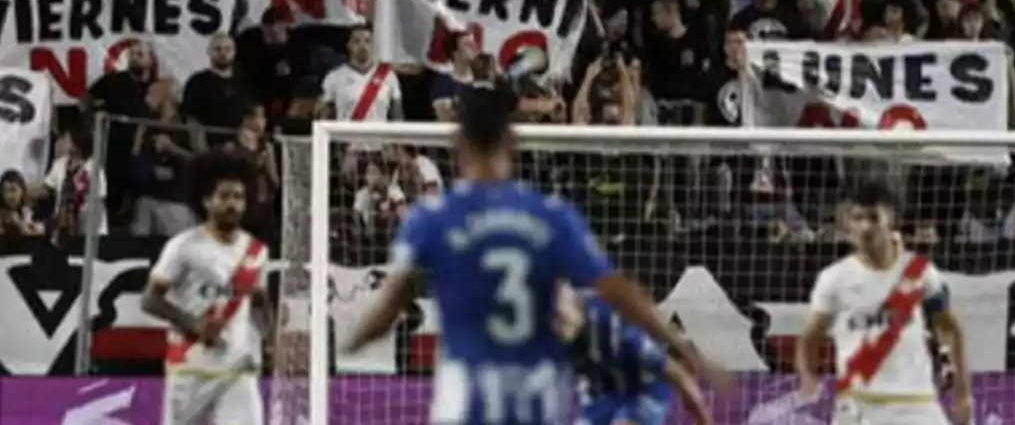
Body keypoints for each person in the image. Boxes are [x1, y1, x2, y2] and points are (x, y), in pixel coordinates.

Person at [345, 83, 726, 424]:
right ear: (512, 143)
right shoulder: (551, 216)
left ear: (459, 143)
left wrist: (346, 344)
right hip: (536, 399)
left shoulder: (432, 218)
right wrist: (683, 350)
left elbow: (388, 310)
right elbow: (619, 291)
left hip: (466, 400)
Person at [794, 183, 972, 425]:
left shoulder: (919, 272)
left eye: (873, 218)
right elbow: (809, 338)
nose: (865, 227)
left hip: (916, 403)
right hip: (859, 403)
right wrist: (807, 376)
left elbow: (951, 330)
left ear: (891, 222)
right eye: (857, 218)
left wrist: (963, 395)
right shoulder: (834, 279)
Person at [141, 155, 274, 425]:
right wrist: (194, 324)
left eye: (238, 197)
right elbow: (150, 299)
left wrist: (270, 341)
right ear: (206, 201)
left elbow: (258, 300)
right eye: (224, 196)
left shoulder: (256, 252)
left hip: (237, 369)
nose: (232, 204)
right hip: (190, 369)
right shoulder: (183, 246)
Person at [553, 285, 711, 425]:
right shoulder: (549, 336)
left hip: (644, 387)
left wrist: (703, 419)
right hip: (602, 391)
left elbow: (677, 373)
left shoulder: (617, 333)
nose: (556, 325)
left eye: (560, 318)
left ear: (576, 306)